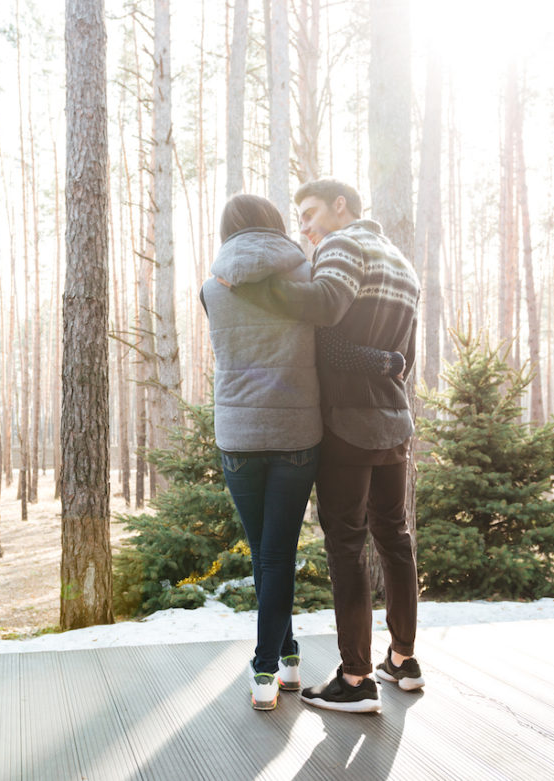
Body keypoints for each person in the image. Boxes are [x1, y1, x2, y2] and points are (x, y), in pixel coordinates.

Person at [223, 178, 423, 714]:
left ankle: (355, 678)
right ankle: (403, 659)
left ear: (341, 208)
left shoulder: (343, 244)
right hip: (394, 420)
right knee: (396, 538)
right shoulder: (402, 261)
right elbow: (404, 355)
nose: (305, 227)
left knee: (346, 546)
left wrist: (255, 289)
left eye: (310, 214)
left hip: (346, 421)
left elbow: (328, 323)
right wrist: (386, 368)